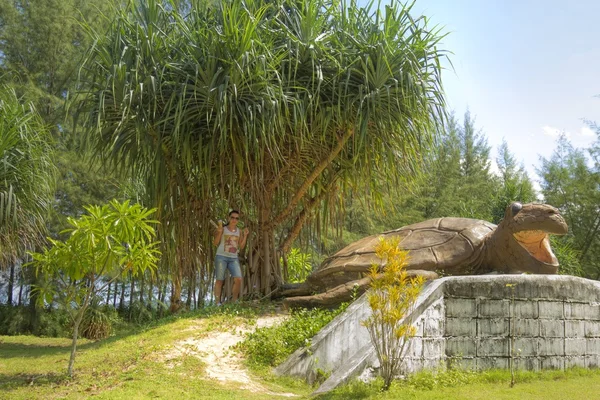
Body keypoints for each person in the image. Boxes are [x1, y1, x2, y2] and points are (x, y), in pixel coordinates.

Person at [213, 210, 249, 305]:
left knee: (238, 279)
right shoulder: (223, 229)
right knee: (220, 280)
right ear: (229, 218)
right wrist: (220, 232)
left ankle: (234, 301)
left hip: (233, 258)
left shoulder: (239, 231)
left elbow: (241, 246)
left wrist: (245, 236)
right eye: (232, 217)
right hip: (221, 257)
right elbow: (215, 243)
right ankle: (217, 303)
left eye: (236, 218)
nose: (234, 220)